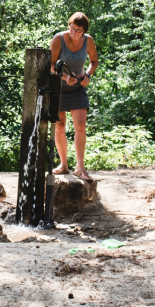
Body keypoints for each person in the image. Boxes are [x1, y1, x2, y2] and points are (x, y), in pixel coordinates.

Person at [50, 12, 99, 181]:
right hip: (59, 87)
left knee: (80, 125)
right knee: (60, 125)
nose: (74, 32)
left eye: (78, 30)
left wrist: (88, 75)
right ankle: (63, 164)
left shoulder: (88, 41)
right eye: (72, 27)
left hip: (78, 88)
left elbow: (94, 61)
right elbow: (50, 64)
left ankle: (80, 167)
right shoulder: (59, 39)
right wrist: (64, 77)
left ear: (84, 31)